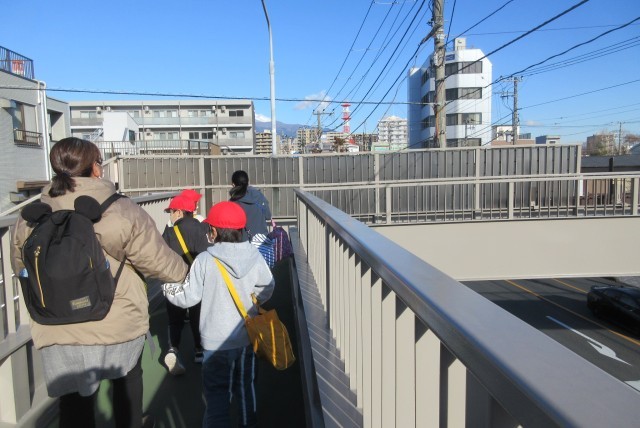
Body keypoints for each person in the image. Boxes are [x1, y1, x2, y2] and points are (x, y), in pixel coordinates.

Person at [10, 137, 188, 428]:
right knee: (127, 381)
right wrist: (186, 274)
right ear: (94, 168)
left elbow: (21, 265)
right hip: (116, 318)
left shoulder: (30, 217)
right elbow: (157, 261)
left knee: (73, 399)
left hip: (56, 321)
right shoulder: (120, 209)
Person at [164, 201, 274, 427]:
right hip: (246, 339)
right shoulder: (254, 256)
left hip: (214, 344)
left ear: (213, 231)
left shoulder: (205, 260)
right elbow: (268, 287)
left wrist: (167, 288)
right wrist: (252, 301)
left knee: (216, 398)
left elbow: (188, 297)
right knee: (246, 391)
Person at [161, 194, 210, 374]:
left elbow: (160, 257)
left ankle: (173, 349)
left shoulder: (169, 232)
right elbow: (206, 256)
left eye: (171, 211)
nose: (171, 215)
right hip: (196, 281)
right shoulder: (201, 229)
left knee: (175, 320)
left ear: (180, 212)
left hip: (175, 281)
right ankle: (199, 350)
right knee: (198, 316)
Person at [229, 170, 272, 242]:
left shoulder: (233, 202)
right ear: (247, 181)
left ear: (233, 184)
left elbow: (231, 225)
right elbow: (268, 216)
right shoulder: (259, 196)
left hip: (243, 243)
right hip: (262, 242)